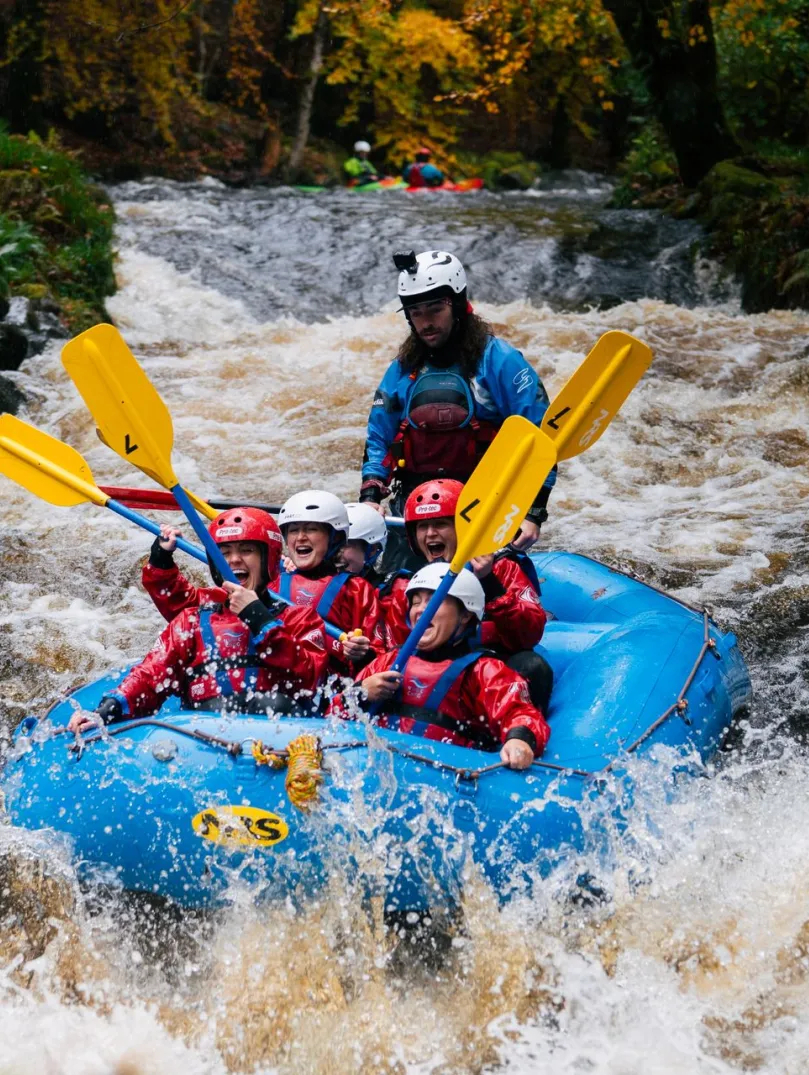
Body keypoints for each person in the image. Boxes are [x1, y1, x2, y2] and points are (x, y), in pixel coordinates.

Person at [358, 249, 556, 557]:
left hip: (483, 507)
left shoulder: (500, 361)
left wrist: (533, 512)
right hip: (416, 509)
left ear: (459, 304)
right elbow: (379, 436)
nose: (426, 322)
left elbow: (539, 438)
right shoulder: (402, 368)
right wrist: (371, 496)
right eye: (416, 311)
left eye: (435, 309)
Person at [67, 508, 329, 732]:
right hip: (206, 739)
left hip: (283, 737)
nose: (234, 559)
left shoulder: (300, 618)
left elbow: (309, 677)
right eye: (224, 553)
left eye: (247, 550)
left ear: (269, 559)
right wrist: (107, 709)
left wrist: (258, 618)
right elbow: (151, 675)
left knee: (272, 705)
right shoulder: (192, 621)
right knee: (215, 709)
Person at [330, 563, 550, 770]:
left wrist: (519, 738)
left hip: (445, 775)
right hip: (382, 769)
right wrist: (360, 693)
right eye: (416, 602)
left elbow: (520, 713)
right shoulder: (388, 662)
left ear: (465, 615)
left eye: (434, 601)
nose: (421, 610)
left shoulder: (484, 671)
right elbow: (334, 716)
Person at [382, 478, 553, 712]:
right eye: (422, 527)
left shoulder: (502, 569)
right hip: (433, 676)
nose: (430, 534)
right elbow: (392, 651)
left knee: (532, 666)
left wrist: (489, 583)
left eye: (441, 524)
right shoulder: (407, 584)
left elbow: (530, 633)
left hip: (491, 675)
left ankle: (520, 736)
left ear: (463, 528)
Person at [276, 490, 385, 677]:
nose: (300, 537)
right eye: (293, 530)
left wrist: (363, 653)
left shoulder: (357, 590)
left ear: (335, 537)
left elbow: (380, 655)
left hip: (331, 689)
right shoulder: (273, 583)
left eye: (311, 529)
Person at [337, 502, 389, 587]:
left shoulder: (386, 594)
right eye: (331, 544)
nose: (333, 552)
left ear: (372, 549)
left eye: (344, 545)